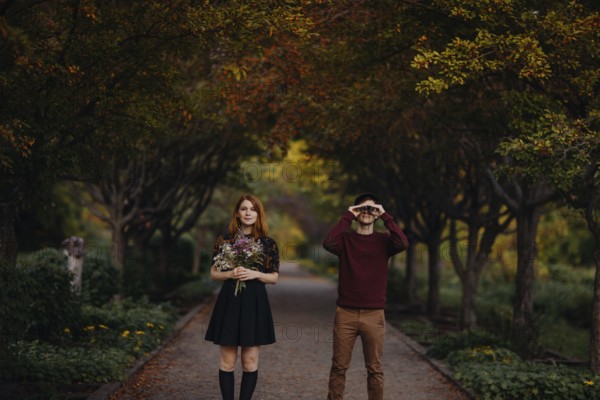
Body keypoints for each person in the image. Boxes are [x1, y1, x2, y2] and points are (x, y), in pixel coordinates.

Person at [323, 193, 409, 400]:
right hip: (346, 313)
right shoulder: (344, 240)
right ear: (355, 212)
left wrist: (386, 216)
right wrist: (348, 215)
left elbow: (403, 243)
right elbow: (328, 242)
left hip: (374, 314)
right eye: (363, 208)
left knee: (375, 369)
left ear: (377, 213)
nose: (367, 212)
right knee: (339, 367)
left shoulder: (384, 241)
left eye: (371, 209)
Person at [205, 194, 279, 400]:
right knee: (227, 362)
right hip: (230, 301)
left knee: (250, 362)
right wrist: (230, 274)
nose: (248, 213)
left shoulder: (268, 243)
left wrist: (256, 274)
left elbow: (274, 278)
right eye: (244, 209)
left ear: (258, 214)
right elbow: (213, 273)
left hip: (255, 302)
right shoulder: (225, 240)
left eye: (252, 209)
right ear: (237, 213)